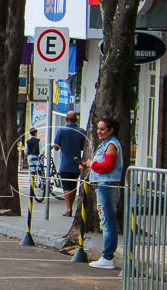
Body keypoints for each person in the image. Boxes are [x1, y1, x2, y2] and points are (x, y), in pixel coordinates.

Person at [79, 117, 123, 270]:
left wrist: (93, 164)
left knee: (107, 223)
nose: (99, 132)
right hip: (102, 186)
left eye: (102, 129)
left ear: (111, 130)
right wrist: (88, 166)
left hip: (107, 187)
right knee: (105, 221)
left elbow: (108, 166)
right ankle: (107, 256)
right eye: (98, 129)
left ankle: (108, 257)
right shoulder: (105, 145)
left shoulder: (111, 145)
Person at [53, 111, 87, 217]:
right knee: (73, 186)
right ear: (76, 119)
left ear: (66, 119)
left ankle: (68, 209)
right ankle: (70, 207)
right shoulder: (81, 131)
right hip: (77, 164)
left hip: (65, 164)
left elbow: (56, 147)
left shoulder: (62, 131)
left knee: (66, 187)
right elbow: (83, 147)